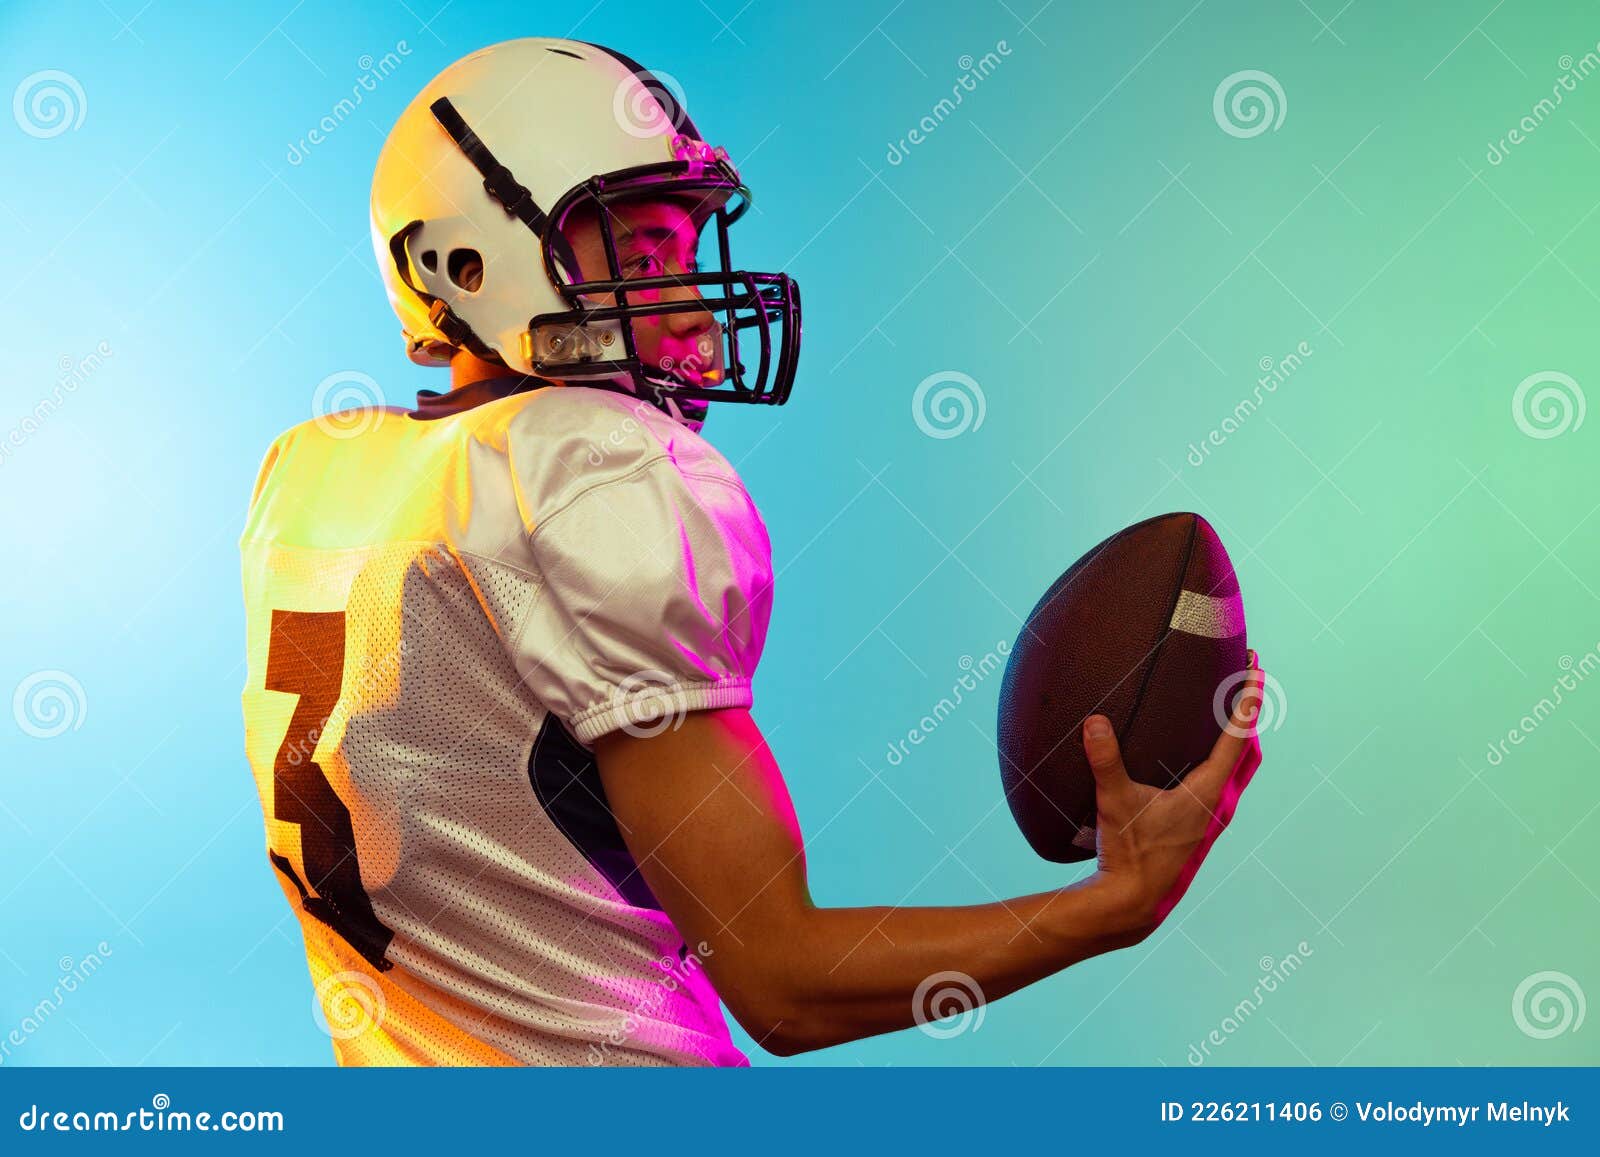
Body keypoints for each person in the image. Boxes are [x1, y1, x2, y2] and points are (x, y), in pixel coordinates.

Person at [238, 36, 1264, 1066]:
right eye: (638, 257)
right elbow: (781, 982)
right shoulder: (590, 470)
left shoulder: (314, 473)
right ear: (465, 265)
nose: (687, 302)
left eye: (685, 254)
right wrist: (1113, 902)